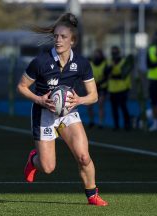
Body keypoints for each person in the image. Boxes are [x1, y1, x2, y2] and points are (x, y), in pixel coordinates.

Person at [17, 13, 108, 206]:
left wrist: (79, 100)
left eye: (63, 37)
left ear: (73, 41)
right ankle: (34, 160)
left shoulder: (82, 64)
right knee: (48, 167)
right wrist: (39, 99)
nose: (58, 40)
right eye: (56, 36)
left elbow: (93, 96)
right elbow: (22, 87)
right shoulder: (41, 62)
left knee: (84, 157)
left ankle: (92, 195)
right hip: (44, 113)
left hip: (68, 113)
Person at [104, 46, 133, 131]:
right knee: (114, 108)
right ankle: (116, 125)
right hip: (112, 89)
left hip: (123, 88)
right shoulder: (109, 61)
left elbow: (123, 75)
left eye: (115, 52)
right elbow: (105, 73)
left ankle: (127, 124)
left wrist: (112, 76)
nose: (114, 53)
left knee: (123, 107)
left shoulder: (123, 61)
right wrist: (111, 67)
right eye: (113, 52)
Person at [87, 49, 108, 129]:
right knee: (89, 105)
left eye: (98, 54)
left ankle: (101, 123)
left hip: (102, 87)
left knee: (100, 104)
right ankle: (91, 121)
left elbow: (106, 77)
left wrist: (99, 83)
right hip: (92, 87)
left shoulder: (104, 64)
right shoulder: (91, 63)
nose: (96, 56)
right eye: (95, 54)